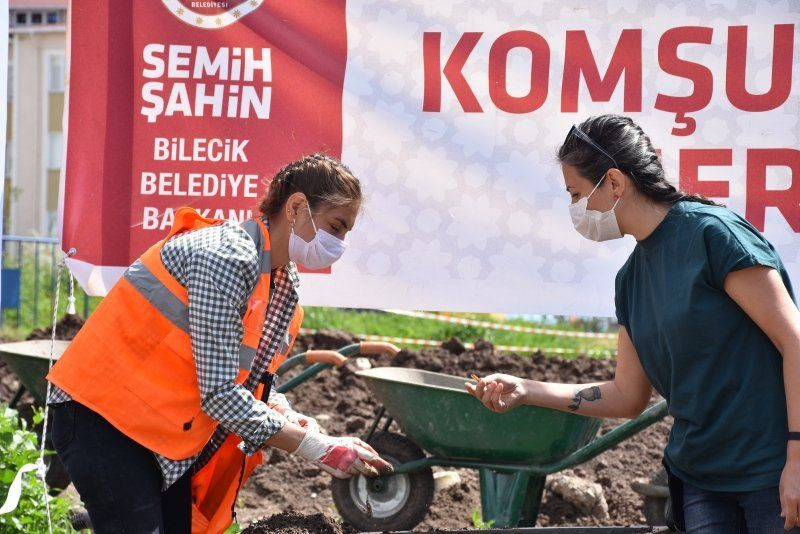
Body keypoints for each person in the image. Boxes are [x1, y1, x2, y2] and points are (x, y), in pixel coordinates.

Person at [466, 115, 800, 533]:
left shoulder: (714, 236)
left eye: (577, 194)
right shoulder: (630, 280)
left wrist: (797, 458)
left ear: (615, 183)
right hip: (698, 481)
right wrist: (526, 389)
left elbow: (795, 342)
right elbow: (627, 395)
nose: (575, 209)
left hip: (770, 475)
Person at [46, 153, 394, 533]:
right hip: (103, 415)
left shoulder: (281, 284)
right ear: (296, 207)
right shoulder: (227, 258)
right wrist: (313, 446)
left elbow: (251, 381)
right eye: (335, 226)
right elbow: (220, 395)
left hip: (155, 426)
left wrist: (296, 422)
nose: (338, 244)